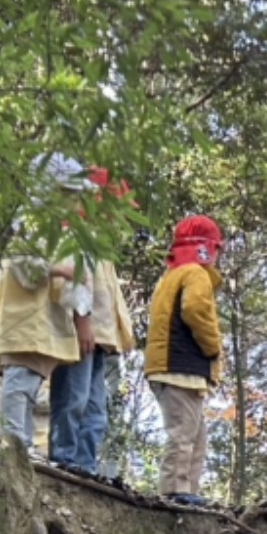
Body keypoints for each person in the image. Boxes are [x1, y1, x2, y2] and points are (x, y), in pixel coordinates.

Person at [0, 155, 95, 451]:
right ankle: (14, 442)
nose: (73, 201)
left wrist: (80, 308)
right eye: (68, 193)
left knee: (28, 385)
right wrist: (61, 270)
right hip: (23, 321)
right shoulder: (30, 225)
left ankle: (23, 444)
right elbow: (24, 267)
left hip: (43, 324)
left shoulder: (60, 233)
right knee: (18, 385)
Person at [48, 166, 137, 477]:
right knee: (73, 398)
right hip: (80, 332)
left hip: (101, 337)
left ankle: (86, 463)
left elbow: (109, 297)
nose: (119, 216)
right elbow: (76, 284)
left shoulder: (101, 245)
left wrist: (120, 336)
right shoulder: (75, 234)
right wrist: (81, 321)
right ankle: (64, 456)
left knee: (96, 407)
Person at [144, 215, 224, 505]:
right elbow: (194, 310)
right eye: (217, 248)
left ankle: (188, 492)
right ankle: (175, 492)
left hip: (176, 369)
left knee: (196, 437)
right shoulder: (195, 273)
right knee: (183, 435)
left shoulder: (171, 275)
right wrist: (213, 347)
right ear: (208, 247)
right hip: (179, 368)